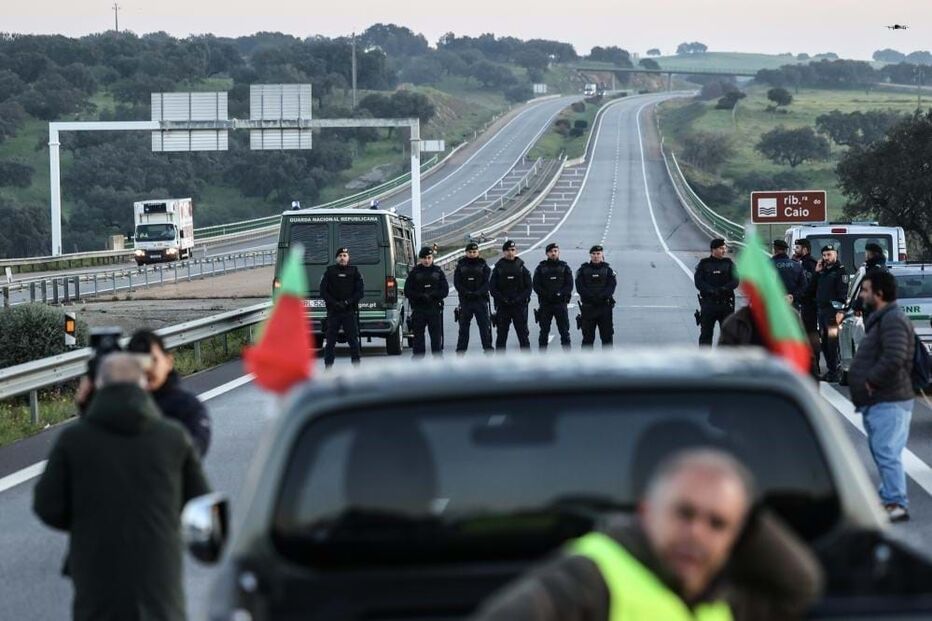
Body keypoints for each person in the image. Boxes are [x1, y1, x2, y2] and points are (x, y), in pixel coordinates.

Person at [473, 449, 823, 621]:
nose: (696, 533)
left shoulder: (721, 601)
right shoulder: (591, 577)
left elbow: (799, 588)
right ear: (645, 511)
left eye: (717, 523)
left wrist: (745, 511)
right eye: (683, 513)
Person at [33, 353, 211, 621]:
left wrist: (86, 523)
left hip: (96, 583)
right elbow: (201, 504)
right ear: (143, 384)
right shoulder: (172, 436)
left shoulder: (74, 440)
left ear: (96, 386)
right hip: (160, 584)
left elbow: (47, 506)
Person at [847, 270, 915, 522]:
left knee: (887, 452)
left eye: (865, 290)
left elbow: (894, 357)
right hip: (879, 400)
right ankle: (889, 498)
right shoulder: (882, 317)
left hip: (889, 399)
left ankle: (896, 502)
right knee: (882, 451)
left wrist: (870, 381)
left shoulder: (893, 319)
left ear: (880, 293)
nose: (862, 294)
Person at [127, 330, 211, 457]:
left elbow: (194, 452)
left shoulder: (187, 406)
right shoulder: (120, 406)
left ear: (169, 361)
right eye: (139, 363)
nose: (147, 369)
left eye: (153, 360)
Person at [320, 247, 364, 367]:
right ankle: (328, 367)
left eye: (345, 255)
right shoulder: (329, 271)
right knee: (330, 342)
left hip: (348, 311)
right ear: (336, 258)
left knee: (353, 341)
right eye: (340, 256)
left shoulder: (354, 272)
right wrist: (334, 303)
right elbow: (323, 292)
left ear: (348, 258)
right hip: (334, 312)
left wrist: (347, 302)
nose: (342, 258)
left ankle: (356, 366)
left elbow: (360, 292)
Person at [810, 244, 848, 382]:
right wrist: (817, 272)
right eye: (824, 255)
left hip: (833, 313)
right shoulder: (823, 272)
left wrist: (839, 311)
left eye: (829, 254)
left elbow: (842, 294)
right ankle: (831, 370)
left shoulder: (840, 272)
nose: (826, 258)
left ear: (836, 254)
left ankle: (835, 370)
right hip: (822, 312)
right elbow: (811, 289)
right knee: (825, 342)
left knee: (832, 342)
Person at [404, 246, 449, 356]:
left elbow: (445, 290)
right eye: (424, 258)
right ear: (420, 259)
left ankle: (438, 360)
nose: (427, 260)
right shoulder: (414, 273)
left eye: (429, 258)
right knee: (418, 337)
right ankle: (418, 362)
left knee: (436, 337)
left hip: (434, 308)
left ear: (432, 258)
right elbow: (407, 291)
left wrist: (434, 296)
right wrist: (420, 296)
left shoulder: (438, 272)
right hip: (419, 309)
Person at [694, 239, 738, 345]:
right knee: (706, 335)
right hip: (709, 304)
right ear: (713, 249)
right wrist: (710, 290)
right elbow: (698, 282)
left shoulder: (729, 263)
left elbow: (735, 281)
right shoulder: (704, 264)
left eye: (725, 248)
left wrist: (724, 289)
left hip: (726, 304)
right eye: (721, 248)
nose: (724, 251)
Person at [490, 240, 532, 350]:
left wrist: (518, 299)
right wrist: (502, 299)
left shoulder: (522, 267)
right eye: (508, 250)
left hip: (519, 307)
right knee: (501, 337)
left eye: (513, 250)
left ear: (516, 251)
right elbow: (493, 288)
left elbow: (528, 288)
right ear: (503, 252)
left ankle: (527, 362)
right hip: (503, 307)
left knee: (523, 336)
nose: (510, 253)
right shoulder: (498, 268)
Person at [454, 241, 493, 353]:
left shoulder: (483, 265)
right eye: (470, 252)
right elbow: (457, 283)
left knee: (484, 327)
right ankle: (461, 351)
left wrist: (478, 293)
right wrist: (466, 292)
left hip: (480, 300)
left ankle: (488, 349)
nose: (472, 254)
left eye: (474, 252)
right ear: (466, 252)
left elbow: (487, 283)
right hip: (465, 301)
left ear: (478, 252)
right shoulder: (461, 266)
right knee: (463, 329)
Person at [533, 243, 574, 350]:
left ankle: (568, 356)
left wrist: (560, 294)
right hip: (546, 304)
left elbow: (569, 285)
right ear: (547, 253)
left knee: (564, 332)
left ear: (558, 252)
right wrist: (546, 294)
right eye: (551, 251)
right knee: (544, 332)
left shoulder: (564, 267)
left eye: (555, 251)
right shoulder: (541, 268)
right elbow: (536, 285)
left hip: (560, 304)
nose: (553, 253)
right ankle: (542, 357)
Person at [575, 245, 617, 348]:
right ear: (590, 255)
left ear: (602, 254)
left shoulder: (608, 270)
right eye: (593, 254)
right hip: (588, 308)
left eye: (598, 254)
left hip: (604, 308)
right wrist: (592, 298)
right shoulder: (583, 270)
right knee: (588, 339)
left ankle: (608, 362)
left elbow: (611, 287)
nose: (596, 256)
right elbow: (580, 287)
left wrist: (601, 297)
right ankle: (585, 363)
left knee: (607, 338)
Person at [794, 239, 821, 378]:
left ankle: (814, 365)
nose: (795, 250)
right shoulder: (801, 263)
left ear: (805, 249)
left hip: (809, 304)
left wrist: (801, 295)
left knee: (810, 334)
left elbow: (808, 285)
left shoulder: (809, 264)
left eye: (797, 248)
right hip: (806, 303)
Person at [851, 242, 889, 318]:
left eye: (867, 253)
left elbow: (867, 291)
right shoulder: (877, 268)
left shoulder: (875, 271)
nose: (865, 256)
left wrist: (857, 305)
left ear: (873, 254)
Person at [772, 239, 807, 304]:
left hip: (773, 305)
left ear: (774, 249)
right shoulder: (797, 265)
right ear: (786, 250)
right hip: (792, 304)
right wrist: (792, 296)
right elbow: (803, 286)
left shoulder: (767, 265)